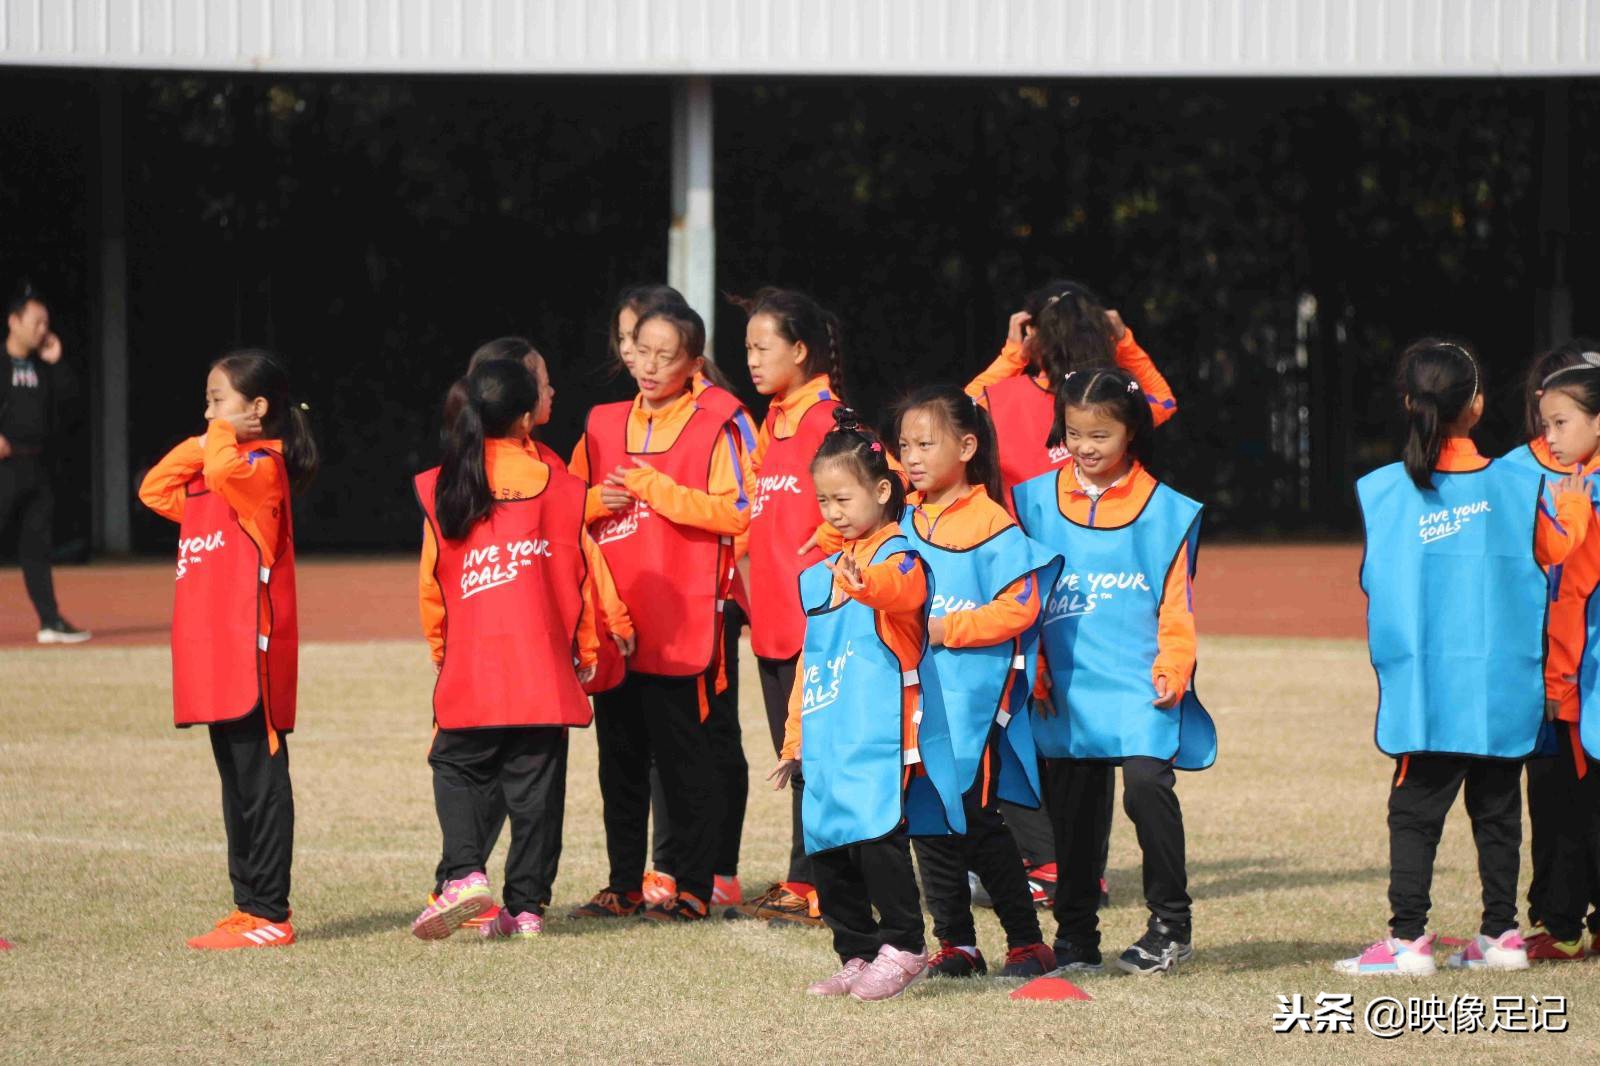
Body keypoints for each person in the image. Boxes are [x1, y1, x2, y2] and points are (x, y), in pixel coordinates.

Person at [1335, 338, 1589, 976]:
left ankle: (1407, 941)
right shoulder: (1519, 484)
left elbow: (1375, 581)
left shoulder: (1385, 491)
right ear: (1476, 406)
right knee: (1499, 813)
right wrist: (1578, 502)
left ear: (1407, 403)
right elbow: (1558, 552)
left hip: (1428, 692)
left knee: (1414, 814)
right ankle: (1501, 936)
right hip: (1501, 689)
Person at [420, 337, 635, 932]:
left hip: (473, 665)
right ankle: (527, 906)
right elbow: (579, 573)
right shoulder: (562, 486)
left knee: (457, 767)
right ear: (522, 416)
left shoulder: (444, 484)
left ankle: (464, 873)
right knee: (537, 787)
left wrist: (443, 650)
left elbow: (431, 584)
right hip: (543, 664)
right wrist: (589, 649)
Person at [1014, 366, 1214, 976]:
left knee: (1149, 788)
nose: (1085, 447)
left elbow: (1177, 606)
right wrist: (1036, 666)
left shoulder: (1168, 510)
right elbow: (1021, 597)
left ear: (1132, 432)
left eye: (1100, 434)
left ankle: (1169, 927)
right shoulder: (1031, 502)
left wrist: (1174, 666)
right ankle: (1075, 937)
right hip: (1065, 689)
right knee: (1073, 816)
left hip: (1141, 685)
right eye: (1074, 433)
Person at [568, 301, 748, 923]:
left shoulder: (716, 422)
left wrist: (653, 488)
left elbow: (736, 512)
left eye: (664, 356)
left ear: (692, 363)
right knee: (618, 758)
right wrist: (595, 499)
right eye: (640, 349)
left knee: (684, 759)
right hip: (616, 621)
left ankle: (694, 885)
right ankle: (622, 883)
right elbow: (565, 506)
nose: (648, 365)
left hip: (684, 615)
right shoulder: (599, 422)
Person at [774, 407, 962, 1001]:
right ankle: (854, 950)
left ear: (882, 491)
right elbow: (811, 663)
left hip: (880, 740)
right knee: (828, 848)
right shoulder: (820, 574)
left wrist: (865, 584)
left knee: (878, 841)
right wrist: (795, 739)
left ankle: (904, 944)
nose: (832, 513)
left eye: (843, 499)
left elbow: (902, 593)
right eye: (823, 501)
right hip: (826, 744)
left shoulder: (897, 556)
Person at [137, 349, 316, 948]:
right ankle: (247, 906)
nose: (207, 411)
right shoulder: (217, 463)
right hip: (216, 655)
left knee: (260, 783)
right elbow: (153, 488)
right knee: (235, 784)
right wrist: (211, 433)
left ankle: (269, 911)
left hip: (252, 656)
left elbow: (220, 473)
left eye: (218, 400)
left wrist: (219, 439)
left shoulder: (259, 469)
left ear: (257, 410)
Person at [889, 385, 1063, 979]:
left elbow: (1022, 606)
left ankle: (1026, 942)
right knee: (926, 818)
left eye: (925, 444)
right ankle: (957, 943)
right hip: (916, 701)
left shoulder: (994, 523)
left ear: (966, 447)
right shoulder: (903, 520)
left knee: (980, 820)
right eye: (905, 445)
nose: (911, 456)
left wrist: (948, 627)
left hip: (975, 705)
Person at [725, 287, 849, 926]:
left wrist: (828, 541)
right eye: (747, 347)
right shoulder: (772, 421)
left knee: (820, 754)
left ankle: (824, 881)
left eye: (761, 346)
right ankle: (807, 878)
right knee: (794, 754)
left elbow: (874, 494)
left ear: (800, 351)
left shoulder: (829, 420)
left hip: (819, 622)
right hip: (773, 620)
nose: (750, 359)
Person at [1504, 349, 1600, 961]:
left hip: (1576, 691)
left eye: (1562, 422)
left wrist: (1556, 684)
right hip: (1581, 688)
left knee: (1567, 808)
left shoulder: (1581, 496)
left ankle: (1562, 926)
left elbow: (1570, 597)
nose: (1549, 436)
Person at [0, 282, 88, 643]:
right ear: (14, 322)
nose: (43, 330)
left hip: (36, 468)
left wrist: (58, 363)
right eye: (36, 322)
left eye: (46, 323)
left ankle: (50, 622)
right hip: (4, 468)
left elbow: (70, 408)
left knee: (36, 548)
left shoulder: (45, 366)